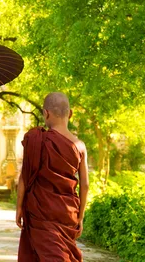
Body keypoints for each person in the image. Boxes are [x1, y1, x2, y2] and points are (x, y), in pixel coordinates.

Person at [16, 92, 89, 262]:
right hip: (67, 211)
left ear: (46, 113)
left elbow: (24, 177)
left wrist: (19, 207)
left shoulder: (36, 139)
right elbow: (85, 185)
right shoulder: (80, 146)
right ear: (70, 113)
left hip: (40, 211)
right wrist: (81, 216)